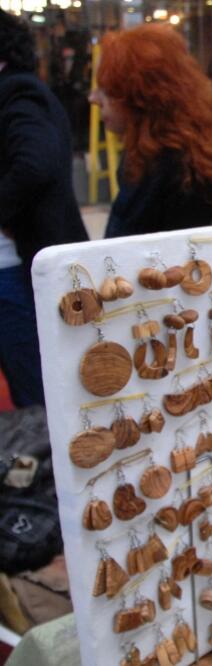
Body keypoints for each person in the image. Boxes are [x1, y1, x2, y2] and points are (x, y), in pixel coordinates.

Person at [0, 10, 88, 406]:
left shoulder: (18, 92)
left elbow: (36, 164)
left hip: (22, 267)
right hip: (23, 266)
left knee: (38, 392)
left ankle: (45, 466)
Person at [90, 24, 212, 238]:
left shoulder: (183, 175)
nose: (93, 99)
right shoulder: (160, 156)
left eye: (107, 93)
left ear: (139, 99)